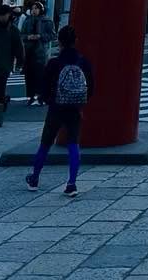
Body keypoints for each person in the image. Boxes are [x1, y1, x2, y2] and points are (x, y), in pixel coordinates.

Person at [25, 25, 94, 196]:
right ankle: (71, 183)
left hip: (56, 107)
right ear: (75, 41)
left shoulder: (54, 63)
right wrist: (81, 102)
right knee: (73, 144)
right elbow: (90, 86)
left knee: (45, 143)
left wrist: (48, 99)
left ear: (60, 42)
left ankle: (34, 178)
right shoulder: (83, 62)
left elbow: (44, 86)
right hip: (75, 108)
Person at [20, 1, 55, 105]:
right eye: (33, 8)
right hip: (28, 50)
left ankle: (41, 96)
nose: (34, 10)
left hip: (40, 51)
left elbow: (52, 35)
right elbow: (22, 34)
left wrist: (41, 36)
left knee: (40, 74)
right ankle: (30, 95)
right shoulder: (27, 20)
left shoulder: (47, 21)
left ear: (41, 10)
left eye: (36, 8)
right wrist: (28, 37)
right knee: (29, 74)